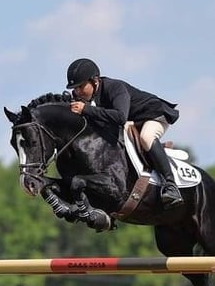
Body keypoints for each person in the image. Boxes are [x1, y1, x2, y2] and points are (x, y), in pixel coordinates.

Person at [65, 58, 184, 209]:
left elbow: (120, 117)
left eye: (81, 87)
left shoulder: (115, 87)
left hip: (153, 114)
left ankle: (170, 185)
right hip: (132, 121)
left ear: (94, 81)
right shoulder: (88, 96)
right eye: (74, 89)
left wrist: (86, 109)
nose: (78, 92)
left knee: (146, 138)